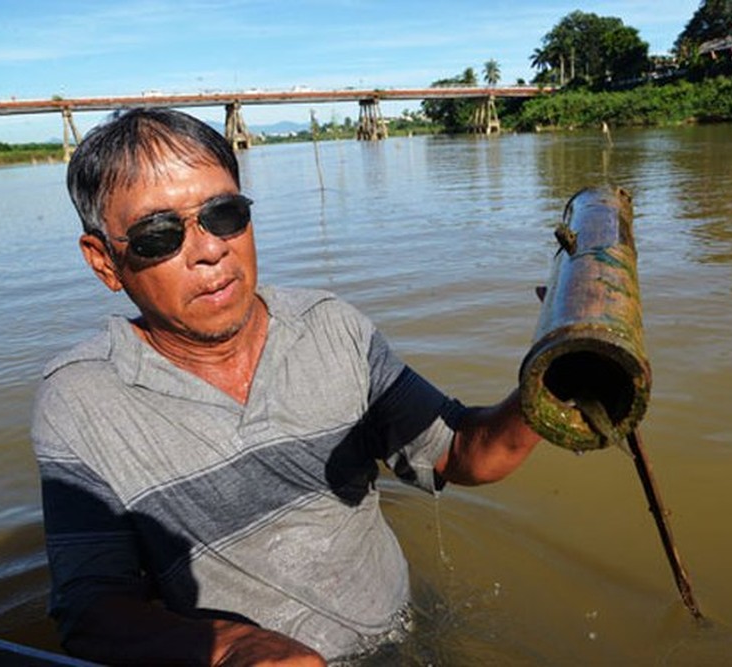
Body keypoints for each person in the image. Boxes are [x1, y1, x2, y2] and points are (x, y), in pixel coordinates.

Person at [32, 107, 540, 666]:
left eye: (223, 214)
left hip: (400, 641)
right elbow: (90, 611)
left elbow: (462, 454)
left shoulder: (331, 328)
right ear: (104, 261)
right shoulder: (82, 401)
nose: (209, 249)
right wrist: (230, 647)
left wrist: (552, 386)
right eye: (159, 235)